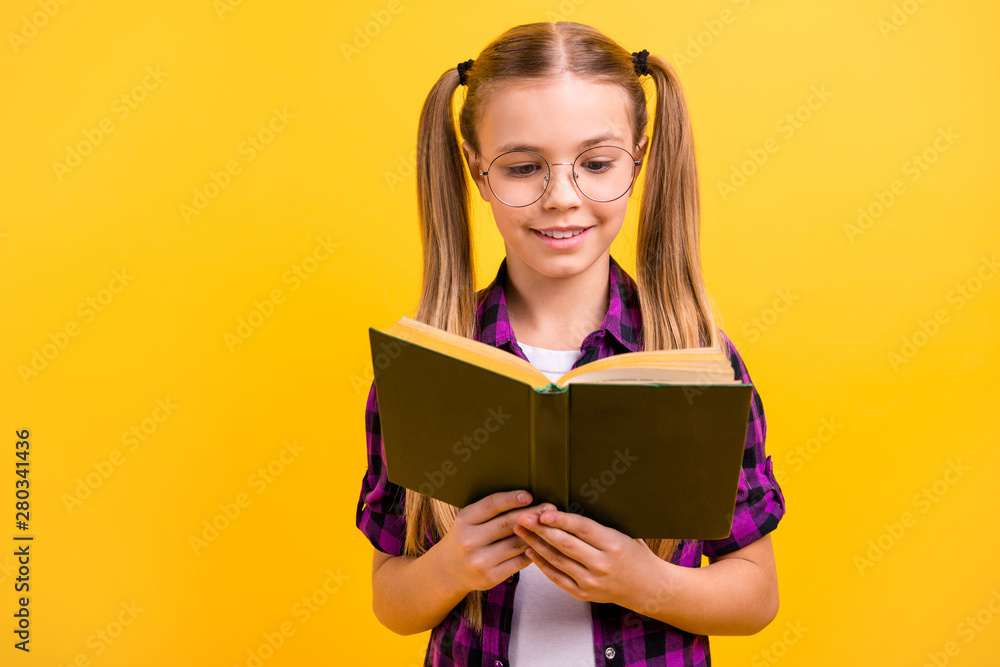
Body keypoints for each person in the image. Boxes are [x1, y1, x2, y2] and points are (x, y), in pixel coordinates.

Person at [356, 21, 786, 667]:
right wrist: (451, 567)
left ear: (638, 159)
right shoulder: (429, 365)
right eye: (525, 167)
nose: (562, 198)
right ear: (477, 169)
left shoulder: (698, 362)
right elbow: (392, 600)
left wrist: (646, 582)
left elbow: (756, 596)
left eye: (597, 163)